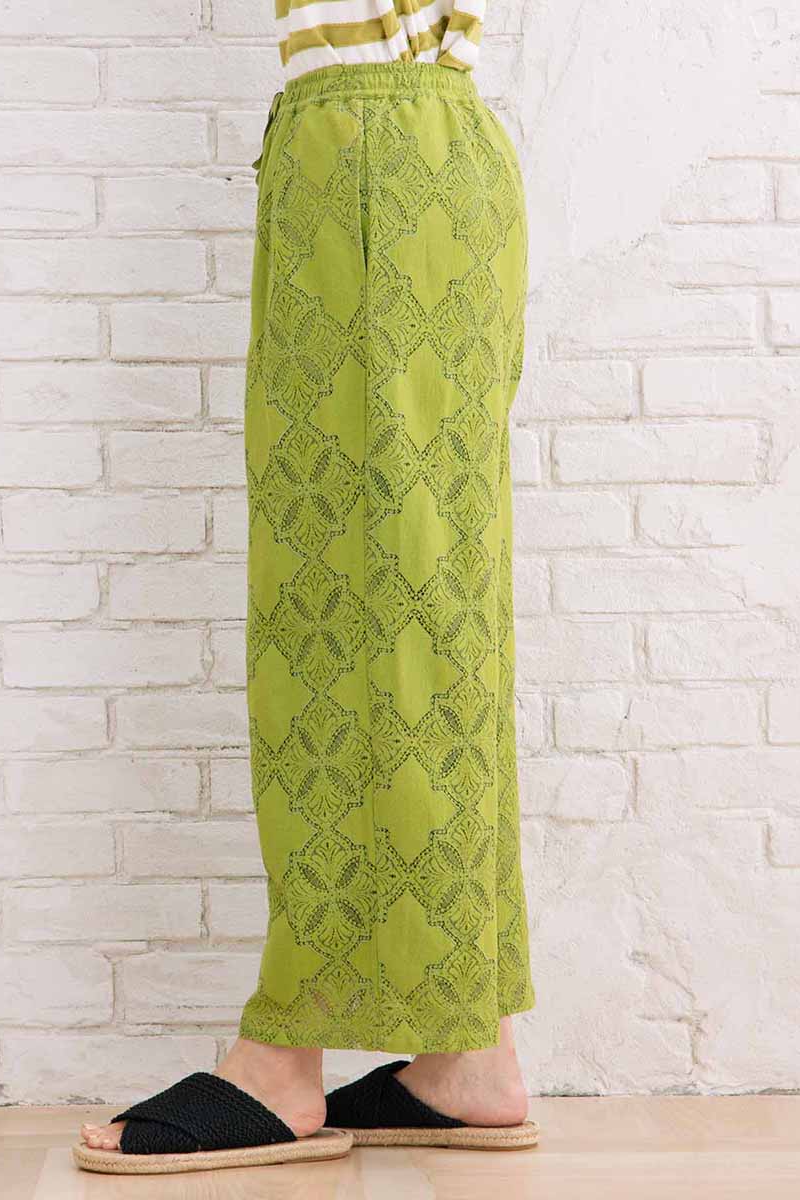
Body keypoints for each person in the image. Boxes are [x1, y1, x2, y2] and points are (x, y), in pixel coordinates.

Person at [75, 0, 536, 1175]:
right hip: (408, 151)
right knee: (428, 597)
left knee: (344, 609)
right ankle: (467, 1055)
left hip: (370, 154)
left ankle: (282, 1063)